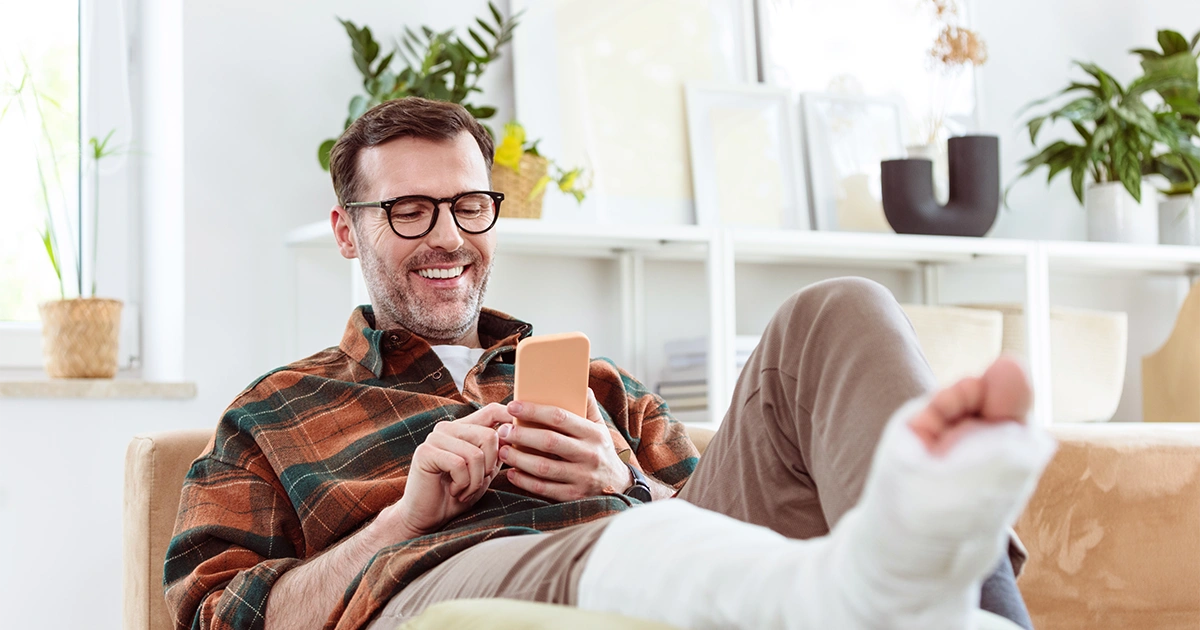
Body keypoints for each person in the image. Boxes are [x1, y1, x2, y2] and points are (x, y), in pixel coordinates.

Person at [164, 97, 1054, 630]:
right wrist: (403, 517)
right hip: (439, 583)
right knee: (620, 552)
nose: (447, 236)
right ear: (345, 230)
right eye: (408, 211)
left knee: (841, 306)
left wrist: (627, 478)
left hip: (653, 541)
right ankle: (875, 585)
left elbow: (725, 519)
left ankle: (941, 582)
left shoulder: (599, 384)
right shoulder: (275, 410)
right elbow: (215, 618)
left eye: (470, 205)